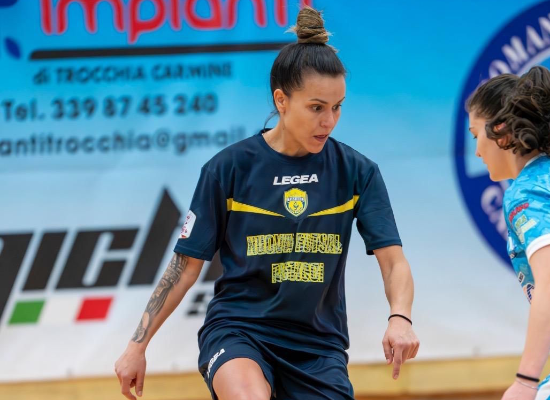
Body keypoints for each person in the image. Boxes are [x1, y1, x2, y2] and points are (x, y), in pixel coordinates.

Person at [115, 6, 419, 400]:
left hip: (317, 347)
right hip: (239, 332)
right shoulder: (228, 168)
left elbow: (394, 262)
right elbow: (184, 267)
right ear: (281, 100)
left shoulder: (358, 171)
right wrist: (136, 347)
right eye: (316, 107)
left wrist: (400, 317)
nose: (329, 121)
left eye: (337, 107)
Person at [467, 66, 550, 400]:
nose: (476, 151)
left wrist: (526, 381)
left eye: (476, 135)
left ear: (500, 131)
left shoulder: (525, 193)